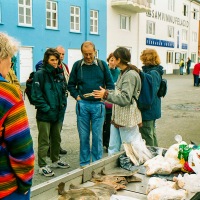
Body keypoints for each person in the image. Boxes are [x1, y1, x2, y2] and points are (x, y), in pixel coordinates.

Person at [67, 41, 114, 166]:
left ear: (95, 52)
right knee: (83, 137)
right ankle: (84, 165)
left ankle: (97, 165)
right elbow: (70, 85)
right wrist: (77, 97)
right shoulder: (77, 65)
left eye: (90, 54)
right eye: (85, 54)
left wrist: (104, 95)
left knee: (97, 138)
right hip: (83, 105)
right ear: (82, 52)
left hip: (98, 106)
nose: (88, 57)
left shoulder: (102, 65)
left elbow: (110, 85)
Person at [0, 32, 34, 199]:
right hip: (6, 187)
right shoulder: (7, 93)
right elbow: (21, 148)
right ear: (3, 56)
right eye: (11, 59)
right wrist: (25, 182)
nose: (10, 64)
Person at [93, 47, 142, 156]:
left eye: (114, 58)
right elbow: (118, 92)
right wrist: (106, 92)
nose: (112, 60)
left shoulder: (130, 75)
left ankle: (131, 169)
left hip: (127, 118)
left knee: (130, 149)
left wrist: (106, 95)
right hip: (118, 118)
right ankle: (112, 170)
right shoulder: (123, 72)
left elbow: (125, 98)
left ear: (119, 60)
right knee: (113, 147)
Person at [31, 48, 69, 177]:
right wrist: (47, 108)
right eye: (52, 59)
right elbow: (36, 96)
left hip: (58, 113)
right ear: (46, 60)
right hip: (45, 114)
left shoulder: (59, 73)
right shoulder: (40, 74)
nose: (54, 62)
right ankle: (42, 165)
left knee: (56, 139)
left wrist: (62, 106)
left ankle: (55, 160)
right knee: (44, 141)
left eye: (56, 59)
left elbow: (64, 91)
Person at [139, 48, 164, 147]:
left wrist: (141, 106)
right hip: (153, 108)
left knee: (147, 135)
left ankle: (152, 157)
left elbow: (149, 93)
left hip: (148, 109)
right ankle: (157, 155)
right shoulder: (156, 71)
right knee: (151, 133)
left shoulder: (151, 73)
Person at [103, 53, 120, 151]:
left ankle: (107, 143)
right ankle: (103, 141)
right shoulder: (105, 71)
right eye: (111, 60)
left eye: (114, 60)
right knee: (102, 124)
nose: (112, 62)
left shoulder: (118, 72)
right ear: (108, 61)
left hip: (114, 102)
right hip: (104, 101)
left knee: (110, 124)